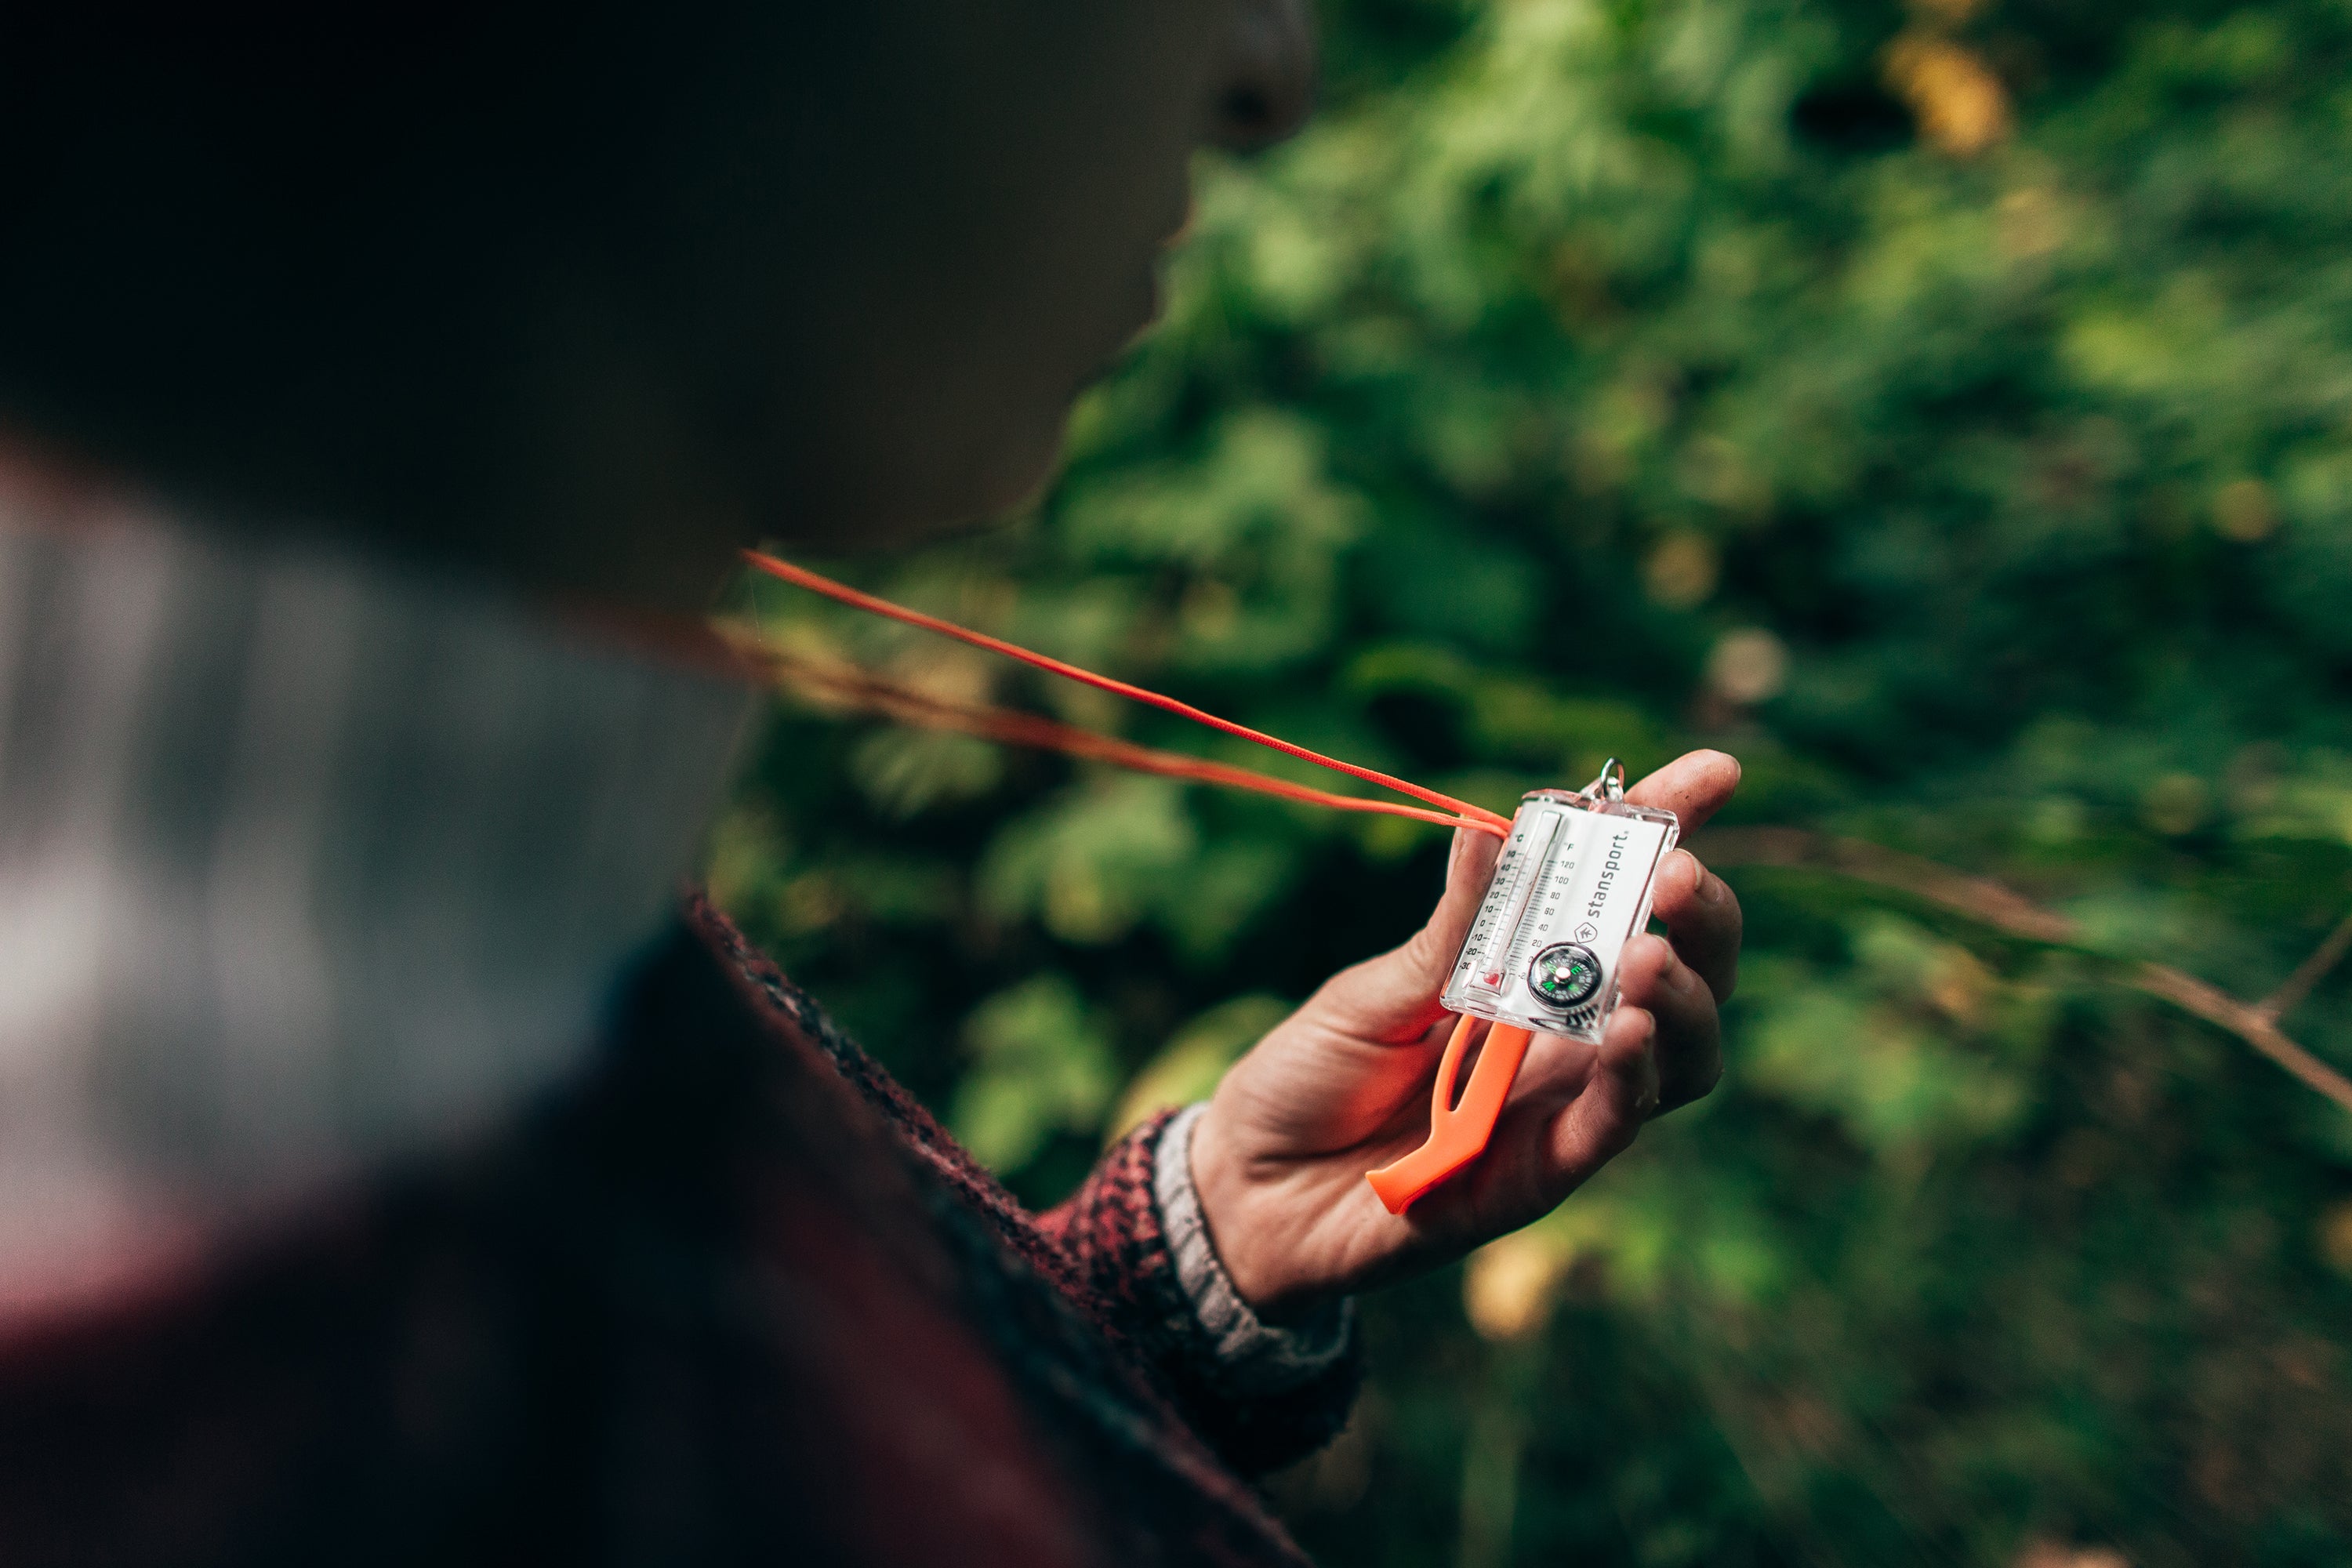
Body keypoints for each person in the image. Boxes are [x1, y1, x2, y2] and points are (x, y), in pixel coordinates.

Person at [0, 2, 1743, 1562]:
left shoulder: (430, 907)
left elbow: (788, 1421)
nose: (1266, 71)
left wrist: (1194, 1269)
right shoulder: (202, 1367)